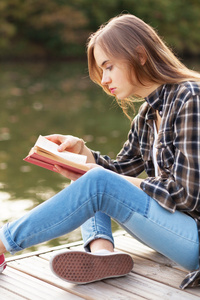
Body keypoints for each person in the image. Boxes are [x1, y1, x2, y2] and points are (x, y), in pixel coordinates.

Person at [0, 14, 200, 289]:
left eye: (109, 67)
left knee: (97, 181)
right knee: (91, 177)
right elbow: (120, 172)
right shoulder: (147, 113)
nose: (104, 80)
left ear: (140, 55)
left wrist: (102, 178)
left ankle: (2, 242)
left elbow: (187, 196)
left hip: (194, 240)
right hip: (168, 232)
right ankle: (102, 253)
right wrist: (83, 156)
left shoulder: (190, 96)